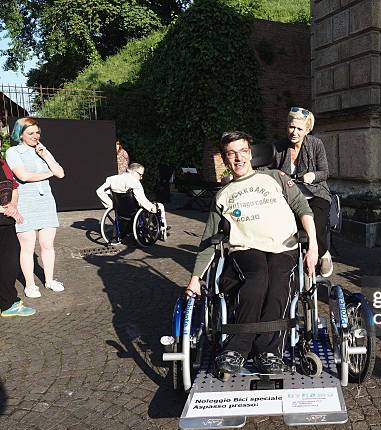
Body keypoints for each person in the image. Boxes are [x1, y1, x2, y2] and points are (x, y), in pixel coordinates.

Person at [186, 131, 318, 376]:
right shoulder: (223, 194)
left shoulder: (275, 177)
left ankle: (268, 351)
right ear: (225, 159)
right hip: (245, 249)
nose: (238, 158)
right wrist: (195, 278)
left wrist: (313, 246)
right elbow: (208, 239)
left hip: (284, 246)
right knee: (257, 279)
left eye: (242, 151)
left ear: (250, 153)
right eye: (231, 153)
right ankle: (237, 348)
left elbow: (303, 208)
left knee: (279, 283)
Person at [6, 117, 65, 299]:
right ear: (20, 134)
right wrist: (49, 173)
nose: (35, 136)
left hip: (46, 201)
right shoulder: (13, 151)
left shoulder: (43, 150)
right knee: (27, 247)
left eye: (37, 132)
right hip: (25, 202)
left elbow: (61, 173)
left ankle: (49, 280)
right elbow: (23, 176)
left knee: (48, 245)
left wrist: (45, 155)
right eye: (30, 133)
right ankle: (30, 285)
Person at [272, 107, 333, 277]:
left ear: (307, 130)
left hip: (315, 192)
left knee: (315, 217)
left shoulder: (316, 144)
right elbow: (266, 168)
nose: (294, 132)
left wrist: (313, 175)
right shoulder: (279, 147)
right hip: (289, 194)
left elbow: (325, 172)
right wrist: (277, 175)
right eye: (292, 127)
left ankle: (322, 253)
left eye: (299, 129)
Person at [1, 139, 36, 317]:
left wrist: (13, 206)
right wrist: (4, 209)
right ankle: (7, 305)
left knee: (9, 263)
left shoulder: (3, 164)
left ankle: (7, 300)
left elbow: (14, 187)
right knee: (6, 265)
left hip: (7, 222)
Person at [96, 162, 168, 241]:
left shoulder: (112, 179)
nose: (141, 178)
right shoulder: (135, 182)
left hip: (120, 211)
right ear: (133, 171)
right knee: (160, 206)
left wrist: (111, 205)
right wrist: (153, 208)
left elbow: (99, 191)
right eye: (140, 175)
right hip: (133, 211)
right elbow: (142, 201)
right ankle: (162, 230)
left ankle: (119, 232)